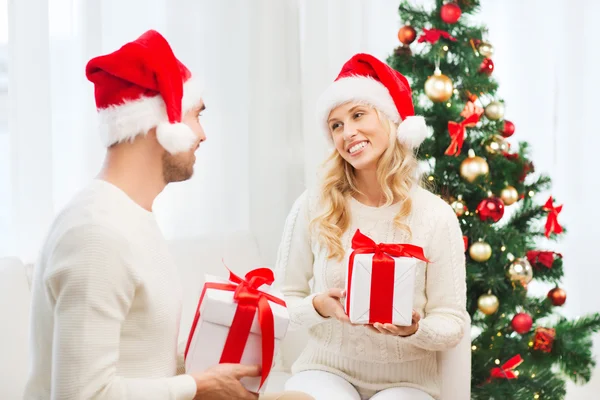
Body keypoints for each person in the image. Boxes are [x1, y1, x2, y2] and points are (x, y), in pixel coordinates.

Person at [24, 30, 312, 400]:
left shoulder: (129, 216)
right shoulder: (96, 233)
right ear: (162, 125)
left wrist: (202, 364)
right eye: (196, 115)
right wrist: (198, 386)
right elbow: (81, 395)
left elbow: (137, 356)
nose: (203, 134)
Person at [274, 53, 469, 400]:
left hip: (407, 383)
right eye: (336, 124)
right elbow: (277, 299)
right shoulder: (314, 205)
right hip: (326, 369)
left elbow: (452, 321)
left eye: (358, 115)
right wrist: (317, 306)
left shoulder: (436, 216)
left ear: (392, 121)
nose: (348, 132)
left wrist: (414, 330)